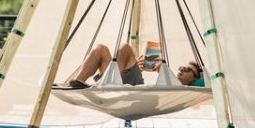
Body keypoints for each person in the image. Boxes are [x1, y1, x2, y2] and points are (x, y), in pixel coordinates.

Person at [65, 43, 204, 88]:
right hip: (123, 81)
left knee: (125, 48)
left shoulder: (182, 89)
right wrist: (134, 66)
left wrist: (163, 70)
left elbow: (171, 88)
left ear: (194, 79)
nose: (182, 70)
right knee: (100, 49)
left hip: (134, 86)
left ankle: (108, 81)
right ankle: (78, 82)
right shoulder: (171, 78)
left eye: (187, 70)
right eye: (181, 67)